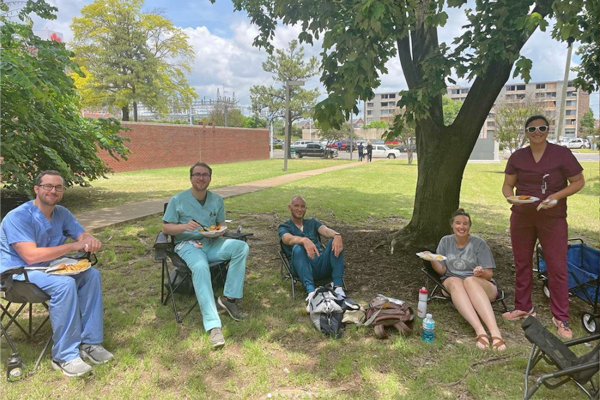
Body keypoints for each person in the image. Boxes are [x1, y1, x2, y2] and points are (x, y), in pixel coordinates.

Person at [0, 170, 113, 377]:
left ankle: (90, 343)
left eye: (58, 187)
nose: (53, 191)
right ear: (36, 189)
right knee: (65, 284)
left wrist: (89, 240)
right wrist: (72, 247)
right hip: (16, 277)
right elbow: (31, 256)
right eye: (48, 186)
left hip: (49, 270)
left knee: (91, 275)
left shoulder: (61, 213)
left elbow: (82, 234)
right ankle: (64, 356)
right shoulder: (17, 217)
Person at [501, 115, 584, 339]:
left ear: (548, 130)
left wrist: (556, 196)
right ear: (526, 132)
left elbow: (578, 181)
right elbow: (508, 185)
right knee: (522, 263)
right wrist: (512, 198)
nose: (537, 132)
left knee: (556, 267)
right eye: (532, 128)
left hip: (553, 217)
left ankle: (561, 317)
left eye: (542, 128)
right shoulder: (518, 156)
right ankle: (524, 307)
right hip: (522, 216)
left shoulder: (561, 153)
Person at [162, 162, 249, 348]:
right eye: (197, 174)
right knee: (200, 267)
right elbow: (165, 227)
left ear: (210, 178)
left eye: (205, 175)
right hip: (188, 245)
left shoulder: (217, 200)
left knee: (241, 247)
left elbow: (221, 224)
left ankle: (229, 299)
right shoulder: (177, 200)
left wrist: (219, 232)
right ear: (191, 177)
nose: (201, 178)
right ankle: (213, 325)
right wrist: (184, 227)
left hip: (211, 242)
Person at [427, 209, 506, 351]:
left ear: (469, 227)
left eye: (465, 224)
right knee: (454, 281)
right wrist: (432, 259)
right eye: (458, 223)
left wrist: (480, 273)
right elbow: (442, 271)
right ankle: (480, 331)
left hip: (479, 284)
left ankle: (495, 333)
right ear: (452, 225)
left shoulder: (479, 244)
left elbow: (489, 274)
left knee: (470, 280)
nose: (461, 227)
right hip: (454, 284)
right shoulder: (445, 241)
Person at [279, 196, 345, 310]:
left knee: (335, 241)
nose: (300, 209)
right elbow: (287, 239)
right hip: (301, 267)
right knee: (298, 248)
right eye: (296, 206)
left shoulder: (312, 222)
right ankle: (311, 292)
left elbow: (325, 230)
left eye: (303, 206)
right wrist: (303, 240)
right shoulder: (284, 227)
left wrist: (337, 235)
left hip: (320, 264)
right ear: (289, 207)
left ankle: (338, 287)